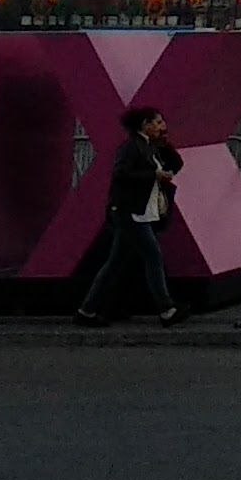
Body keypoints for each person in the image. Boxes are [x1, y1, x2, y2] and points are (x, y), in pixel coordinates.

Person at [74, 106, 185, 327]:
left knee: (115, 263)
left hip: (137, 212)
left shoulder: (150, 146)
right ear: (145, 124)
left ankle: (87, 310)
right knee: (153, 257)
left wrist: (165, 142)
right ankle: (166, 309)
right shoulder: (131, 147)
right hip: (131, 213)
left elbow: (177, 164)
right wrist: (153, 174)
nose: (162, 126)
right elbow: (121, 173)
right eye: (158, 122)